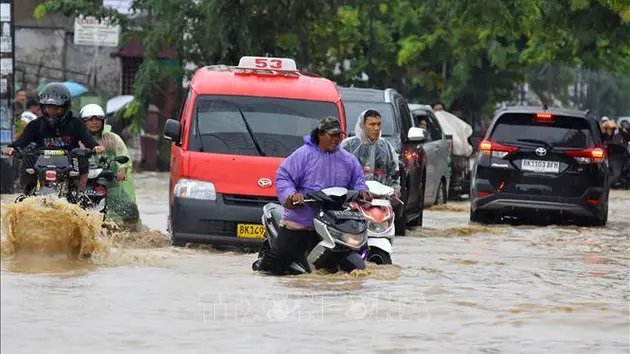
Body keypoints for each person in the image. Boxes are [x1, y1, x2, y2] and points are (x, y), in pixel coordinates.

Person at [253, 116, 371, 275]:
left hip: (334, 222)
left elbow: (358, 180)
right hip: (301, 222)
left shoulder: (348, 160)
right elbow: (284, 177)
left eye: (339, 135)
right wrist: (292, 194)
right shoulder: (302, 155)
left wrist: (362, 191)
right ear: (320, 134)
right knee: (279, 261)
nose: (336, 139)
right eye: (332, 135)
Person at [1, 83, 105, 194]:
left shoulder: (75, 123)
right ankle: (28, 194)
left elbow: (88, 139)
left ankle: (79, 194)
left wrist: (96, 147)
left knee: (82, 157)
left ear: (65, 107)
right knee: (27, 157)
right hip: (40, 164)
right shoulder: (36, 124)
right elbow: (22, 142)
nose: (53, 111)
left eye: (57, 108)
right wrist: (11, 148)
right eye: (49, 107)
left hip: (70, 164)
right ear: (43, 107)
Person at [80, 103, 139, 227]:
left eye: (98, 119)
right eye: (90, 119)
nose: (94, 122)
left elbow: (123, 154)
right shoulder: (76, 138)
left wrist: (122, 169)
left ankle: (131, 233)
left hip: (108, 182)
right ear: (82, 122)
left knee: (129, 208)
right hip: (80, 182)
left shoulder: (112, 138)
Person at [340, 109, 401, 198]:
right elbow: (340, 173)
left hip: (381, 199)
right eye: (372, 124)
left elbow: (393, 174)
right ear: (362, 125)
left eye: (378, 124)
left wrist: (395, 189)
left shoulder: (385, 147)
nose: (376, 128)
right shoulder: (348, 146)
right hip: (354, 198)